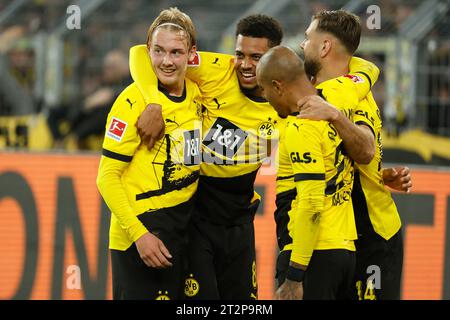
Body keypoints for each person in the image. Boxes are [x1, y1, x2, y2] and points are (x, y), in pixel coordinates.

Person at [130, 14, 379, 300]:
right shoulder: (219, 70)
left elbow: (367, 70)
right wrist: (153, 102)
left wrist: (377, 172)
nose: (246, 65)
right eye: (240, 54)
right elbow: (140, 53)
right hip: (198, 213)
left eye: (256, 57)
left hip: (240, 220)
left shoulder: (290, 99)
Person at [296, 10, 411, 300]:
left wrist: (334, 115)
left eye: (308, 38)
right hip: (329, 237)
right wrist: (380, 174)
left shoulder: (357, 94)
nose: (302, 44)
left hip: (371, 237)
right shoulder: (323, 87)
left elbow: (365, 148)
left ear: (324, 47)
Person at [96, 7, 202, 300]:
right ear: (148, 51)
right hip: (139, 240)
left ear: (191, 54)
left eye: (176, 52)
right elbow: (106, 177)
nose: (166, 61)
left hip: (182, 234)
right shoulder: (131, 101)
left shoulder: (197, 93)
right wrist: (138, 235)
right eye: (159, 51)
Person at [257, 45, 359, 299]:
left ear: (278, 86)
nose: (264, 96)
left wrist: (294, 276)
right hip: (345, 252)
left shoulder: (301, 128)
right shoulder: (335, 109)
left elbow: (312, 203)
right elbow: (368, 70)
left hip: (313, 258)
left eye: (264, 89)